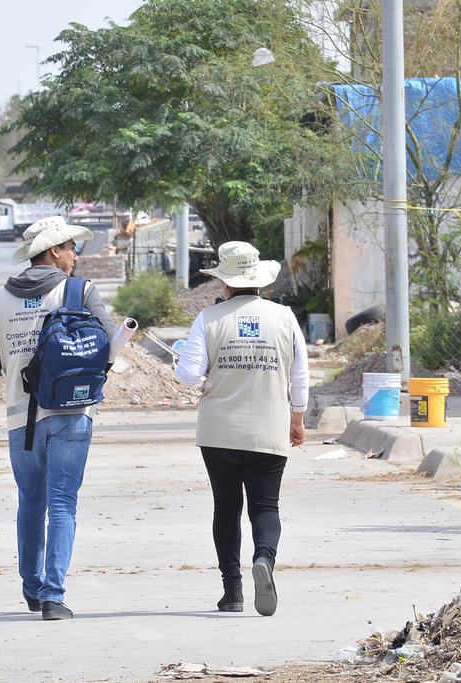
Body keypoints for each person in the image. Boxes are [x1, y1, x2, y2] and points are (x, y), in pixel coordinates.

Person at [0, 216, 114, 620]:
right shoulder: (80, 290)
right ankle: (53, 596)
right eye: (72, 247)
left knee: (30, 503)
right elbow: (110, 347)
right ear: (54, 251)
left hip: (22, 418)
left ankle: (32, 591)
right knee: (63, 503)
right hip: (72, 412)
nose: (75, 255)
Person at [175, 241, 309, 616]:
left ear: (225, 284)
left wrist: (182, 355)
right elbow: (300, 375)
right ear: (260, 282)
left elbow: (187, 375)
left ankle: (232, 591)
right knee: (266, 506)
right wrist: (297, 421)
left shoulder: (209, 318)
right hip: (269, 428)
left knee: (226, 508)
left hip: (218, 433)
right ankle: (263, 558)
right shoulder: (284, 317)